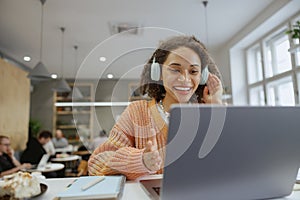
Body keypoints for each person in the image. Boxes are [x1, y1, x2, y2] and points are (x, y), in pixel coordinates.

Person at [88, 35, 223, 180]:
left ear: (202, 76)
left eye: (193, 71)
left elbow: (229, 163)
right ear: (157, 73)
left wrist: (215, 109)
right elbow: (96, 163)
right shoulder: (137, 112)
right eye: (175, 70)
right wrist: (141, 161)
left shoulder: (208, 111)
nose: (185, 78)